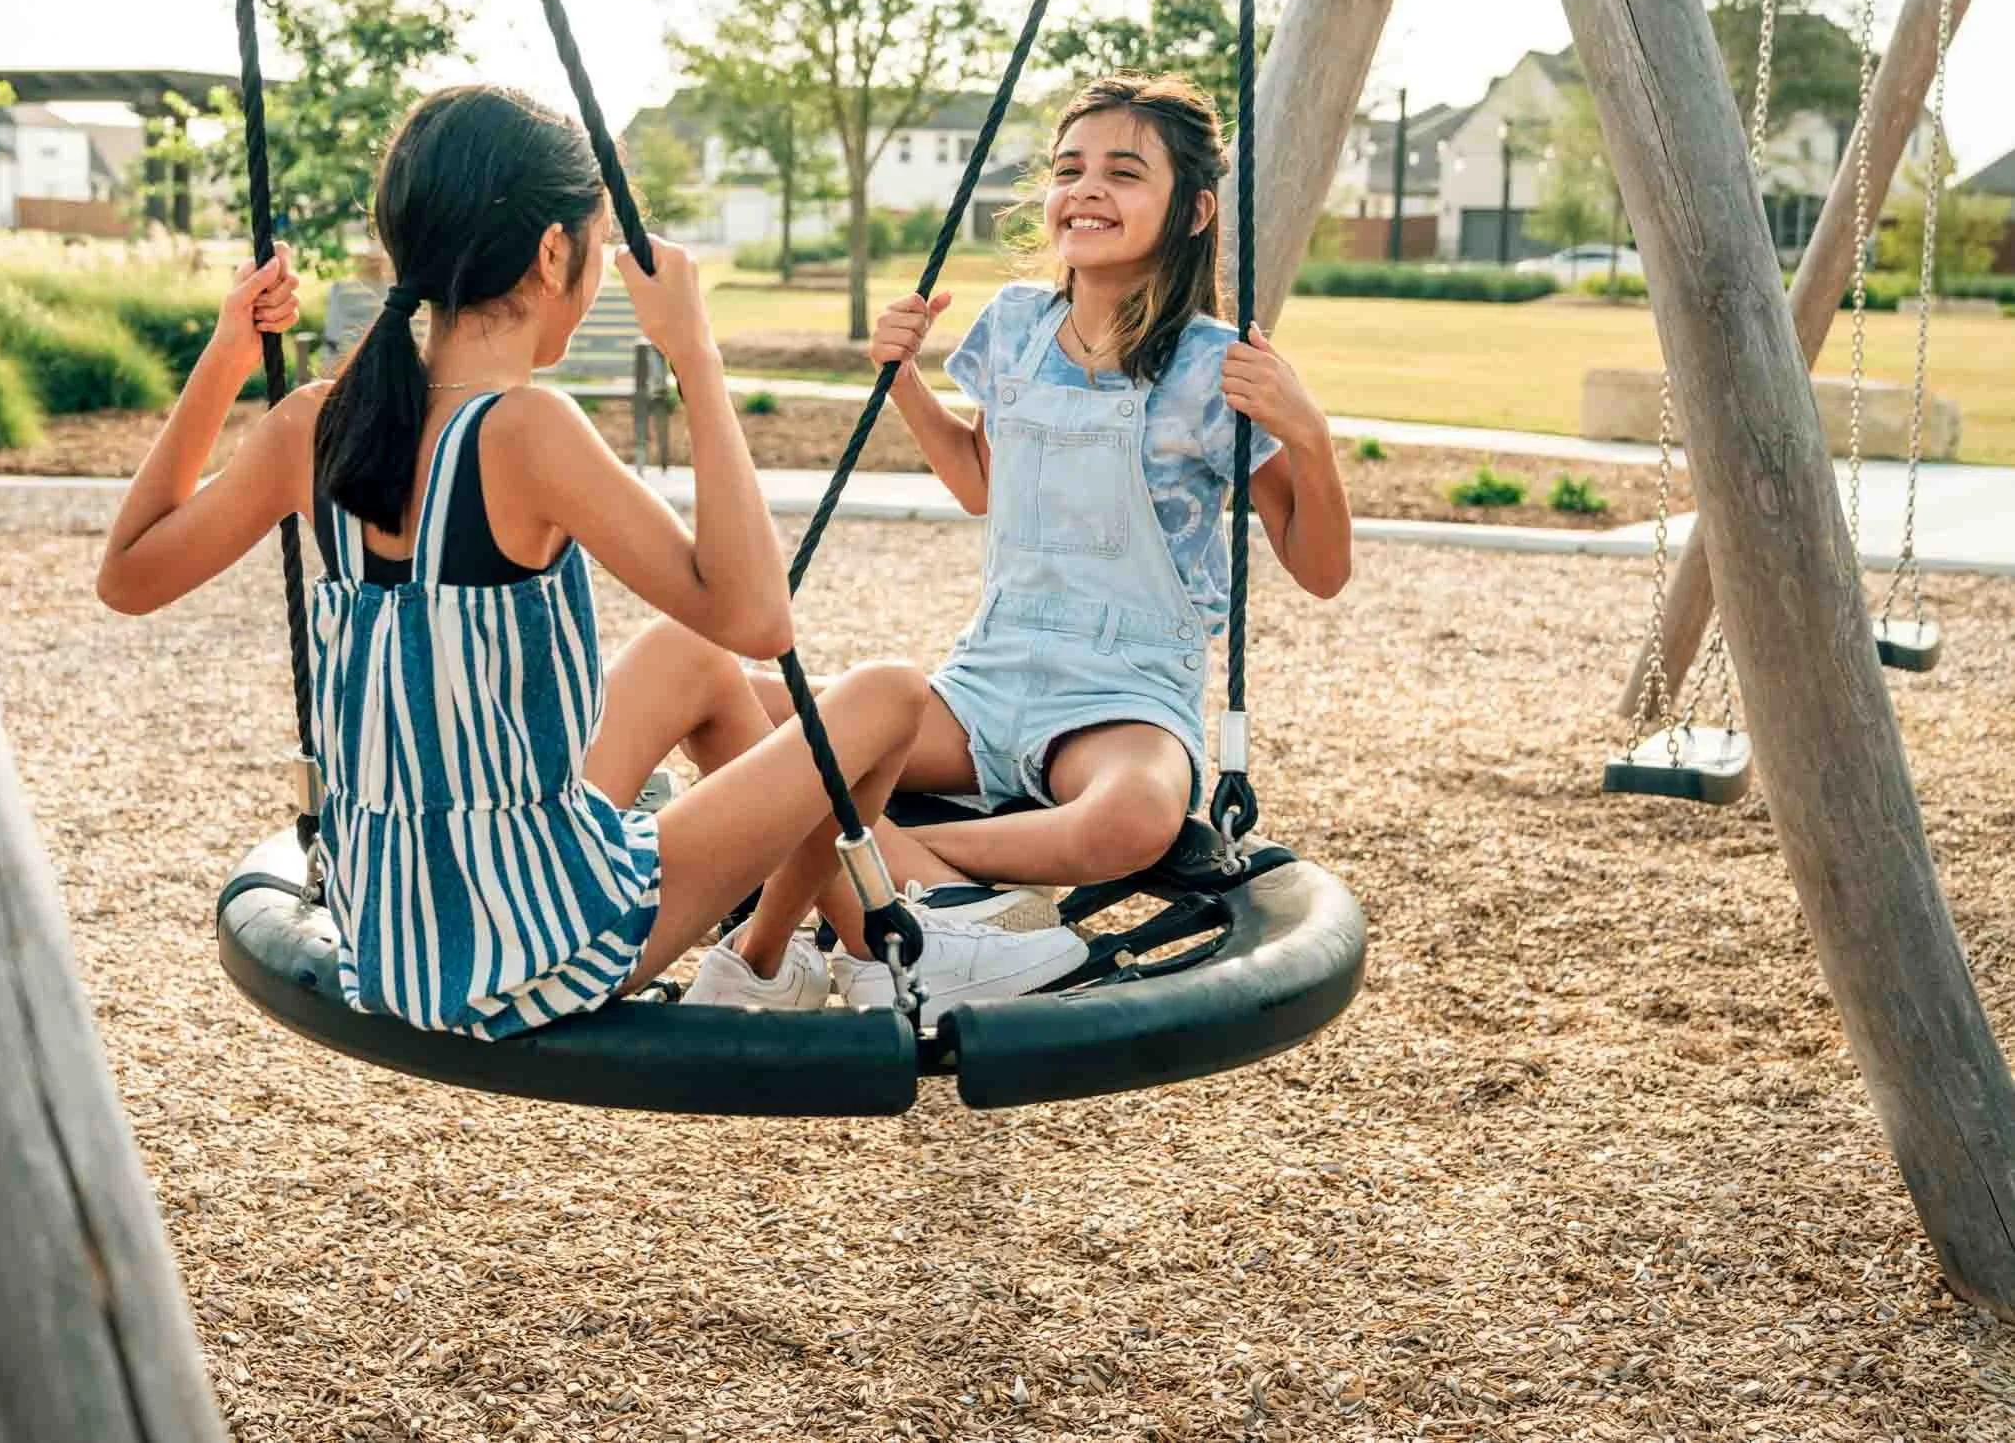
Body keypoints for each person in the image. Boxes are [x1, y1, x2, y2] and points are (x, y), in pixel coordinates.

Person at [97, 84, 1085, 1033]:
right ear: (554, 250)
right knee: (888, 694)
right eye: (602, 249)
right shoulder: (524, 431)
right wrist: (694, 355)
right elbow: (758, 617)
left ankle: (772, 960)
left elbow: (129, 576)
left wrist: (229, 356)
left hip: (394, 924)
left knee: (687, 661)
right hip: (529, 944)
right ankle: (881, 950)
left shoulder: (317, 419)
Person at [781, 71, 1354, 901]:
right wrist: (902, 377)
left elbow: (1321, 569)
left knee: (1134, 817)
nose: (1086, 190)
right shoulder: (1016, 324)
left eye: (1124, 173)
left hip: (1123, 698)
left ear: (1194, 211)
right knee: (762, 718)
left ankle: (903, 864)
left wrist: (1310, 433)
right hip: (987, 674)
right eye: (1068, 169)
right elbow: (981, 482)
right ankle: (941, 888)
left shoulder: (1212, 365)